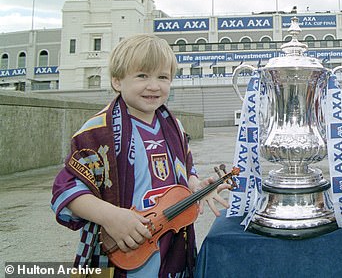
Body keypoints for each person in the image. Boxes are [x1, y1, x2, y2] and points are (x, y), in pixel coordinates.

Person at [51, 34, 230, 277]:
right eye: (142, 76)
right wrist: (112, 217)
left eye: (163, 77)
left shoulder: (174, 126)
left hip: (170, 246)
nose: (154, 85)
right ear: (117, 80)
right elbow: (67, 189)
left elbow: (184, 170)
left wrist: (196, 185)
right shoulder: (96, 132)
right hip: (122, 248)